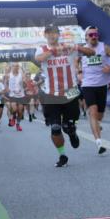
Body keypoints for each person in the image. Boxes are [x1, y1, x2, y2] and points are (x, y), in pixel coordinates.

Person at [35, 25, 94, 167]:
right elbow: (39, 58)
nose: (52, 35)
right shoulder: (42, 49)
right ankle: (62, 155)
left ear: (58, 34)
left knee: (68, 126)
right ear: (45, 35)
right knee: (55, 128)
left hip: (70, 93)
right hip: (51, 94)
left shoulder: (69, 47)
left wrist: (77, 47)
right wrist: (53, 51)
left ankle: (72, 132)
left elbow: (91, 52)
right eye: (49, 33)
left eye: (54, 33)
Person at [78, 26, 110, 155]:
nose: (93, 37)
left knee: (100, 114)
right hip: (88, 84)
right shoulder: (82, 49)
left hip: (102, 84)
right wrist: (78, 72)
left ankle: (97, 123)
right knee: (93, 111)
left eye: (95, 34)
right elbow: (76, 61)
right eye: (91, 35)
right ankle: (99, 142)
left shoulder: (104, 47)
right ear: (86, 37)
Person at [5, 62, 27, 131]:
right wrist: (7, 88)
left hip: (21, 95)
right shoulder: (9, 75)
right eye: (14, 66)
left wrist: (24, 82)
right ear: (12, 67)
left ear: (18, 67)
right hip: (12, 95)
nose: (15, 67)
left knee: (20, 111)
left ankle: (18, 124)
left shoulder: (21, 75)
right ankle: (13, 118)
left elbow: (25, 85)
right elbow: (5, 82)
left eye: (17, 66)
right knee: (14, 109)